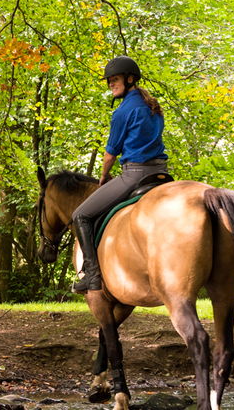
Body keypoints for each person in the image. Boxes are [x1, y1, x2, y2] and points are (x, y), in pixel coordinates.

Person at [71, 56, 167, 294]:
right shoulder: (153, 106)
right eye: (109, 81)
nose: (111, 84)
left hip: (135, 174)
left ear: (130, 79)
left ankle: (92, 276)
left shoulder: (124, 111)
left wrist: (104, 177)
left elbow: (110, 154)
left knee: (80, 215)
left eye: (115, 79)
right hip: (161, 173)